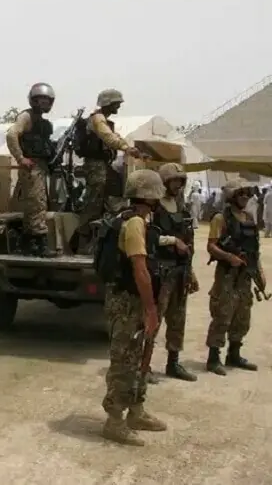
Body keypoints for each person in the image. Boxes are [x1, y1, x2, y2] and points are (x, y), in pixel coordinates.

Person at [101, 168, 167, 447]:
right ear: (150, 196)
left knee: (140, 358)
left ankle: (136, 411)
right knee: (124, 361)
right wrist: (151, 310)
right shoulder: (134, 224)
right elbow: (140, 270)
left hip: (131, 300)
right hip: (128, 302)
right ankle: (114, 421)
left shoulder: (132, 219)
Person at [205, 178, 263, 375]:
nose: (245, 197)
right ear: (232, 196)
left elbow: (254, 251)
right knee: (222, 314)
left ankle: (234, 354)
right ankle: (214, 358)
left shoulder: (249, 218)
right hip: (227, 275)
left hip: (245, 275)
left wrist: (260, 274)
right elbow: (211, 245)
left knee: (242, 315)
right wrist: (229, 257)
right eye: (241, 193)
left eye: (248, 193)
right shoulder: (221, 218)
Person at [74, 89, 142, 254]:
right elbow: (108, 137)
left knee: (109, 199)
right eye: (116, 104)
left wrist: (131, 149)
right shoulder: (98, 119)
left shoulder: (103, 119)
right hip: (95, 165)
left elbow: (115, 137)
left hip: (103, 164)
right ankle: (83, 240)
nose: (118, 107)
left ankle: (98, 239)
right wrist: (126, 148)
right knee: (94, 201)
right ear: (108, 103)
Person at [152, 163, 199, 382]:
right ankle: (144, 365)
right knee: (153, 320)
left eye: (181, 181)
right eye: (174, 181)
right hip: (161, 271)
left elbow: (188, 242)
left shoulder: (181, 207)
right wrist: (172, 241)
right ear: (164, 182)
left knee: (177, 320)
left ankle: (173, 363)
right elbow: (148, 237)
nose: (178, 185)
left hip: (180, 271)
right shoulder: (154, 206)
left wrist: (191, 272)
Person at [6, 83, 57, 256]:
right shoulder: (26, 117)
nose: (44, 104)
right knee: (37, 205)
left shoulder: (40, 121)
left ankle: (29, 244)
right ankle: (40, 245)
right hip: (32, 166)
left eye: (47, 101)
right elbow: (11, 134)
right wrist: (20, 158)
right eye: (41, 100)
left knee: (34, 205)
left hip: (39, 166)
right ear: (33, 100)